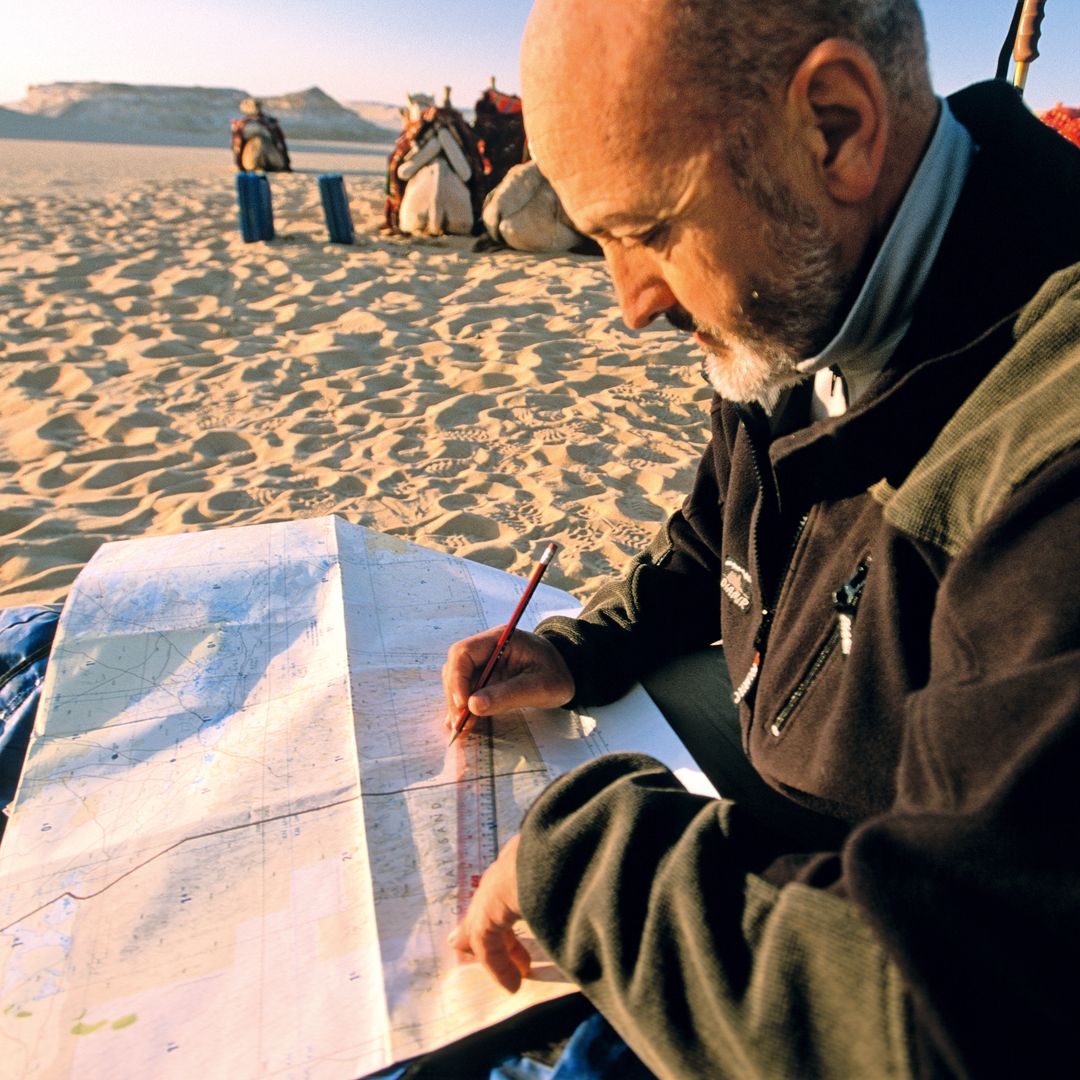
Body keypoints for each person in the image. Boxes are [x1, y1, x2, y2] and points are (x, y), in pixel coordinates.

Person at [443, 1, 1080, 1076]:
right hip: (778, 758)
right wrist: (583, 649)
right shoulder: (809, 280)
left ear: (833, 128)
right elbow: (720, 535)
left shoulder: (1048, 445)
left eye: (648, 231)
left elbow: (949, 1016)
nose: (631, 304)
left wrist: (588, 860)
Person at [231, 97, 292, 172]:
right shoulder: (270, 123)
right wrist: (286, 164)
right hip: (275, 162)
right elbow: (281, 143)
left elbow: (237, 146)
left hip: (252, 162)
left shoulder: (242, 125)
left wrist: (238, 165)